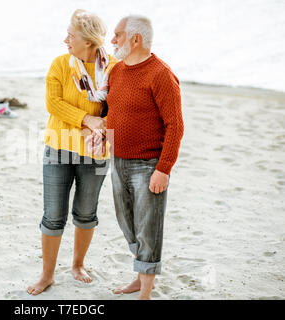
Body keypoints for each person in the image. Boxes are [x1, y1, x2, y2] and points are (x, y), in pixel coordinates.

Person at [88, 14, 184, 300]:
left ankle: (145, 291)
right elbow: (111, 111)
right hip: (118, 160)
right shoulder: (116, 72)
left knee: (148, 225)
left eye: (117, 35)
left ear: (136, 39)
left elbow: (175, 125)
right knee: (126, 221)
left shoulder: (161, 74)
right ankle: (141, 275)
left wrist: (163, 169)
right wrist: (101, 132)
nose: (112, 40)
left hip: (148, 164)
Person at [26, 9, 117, 296]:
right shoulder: (59, 65)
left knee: (86, 213)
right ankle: (47, 275)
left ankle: (78, 265)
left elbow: (119, 107)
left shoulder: (114, 69)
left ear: (88, 42)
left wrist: (102, 124)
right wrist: (86, 119)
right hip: (58, 148)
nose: (66, 39)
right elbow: (53, 104)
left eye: (71, 35)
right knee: (53, 215)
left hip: (97, 151)